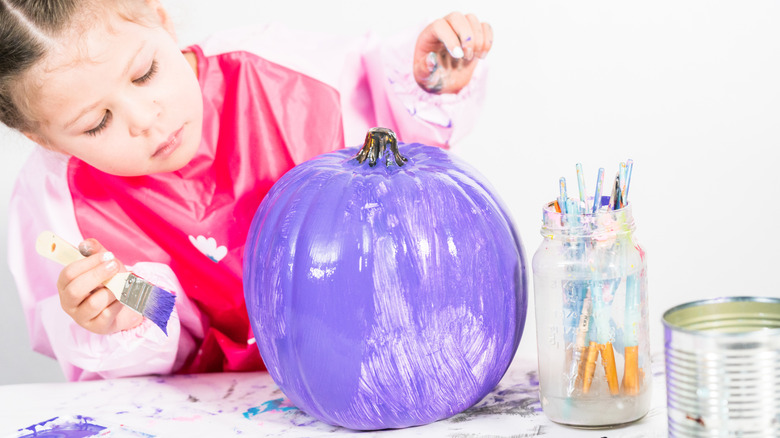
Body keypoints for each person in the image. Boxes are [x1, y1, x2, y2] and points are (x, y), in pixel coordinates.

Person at [2, 0, 492, 380]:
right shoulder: (58, 205)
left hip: (377, 363)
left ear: (160, 19)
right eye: (96, 123)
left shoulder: (280, 72)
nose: (145, 119)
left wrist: (430, 81)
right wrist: (118, 320)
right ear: (43, 138)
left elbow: (398, 157)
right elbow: (148, 368)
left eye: (144, 73)